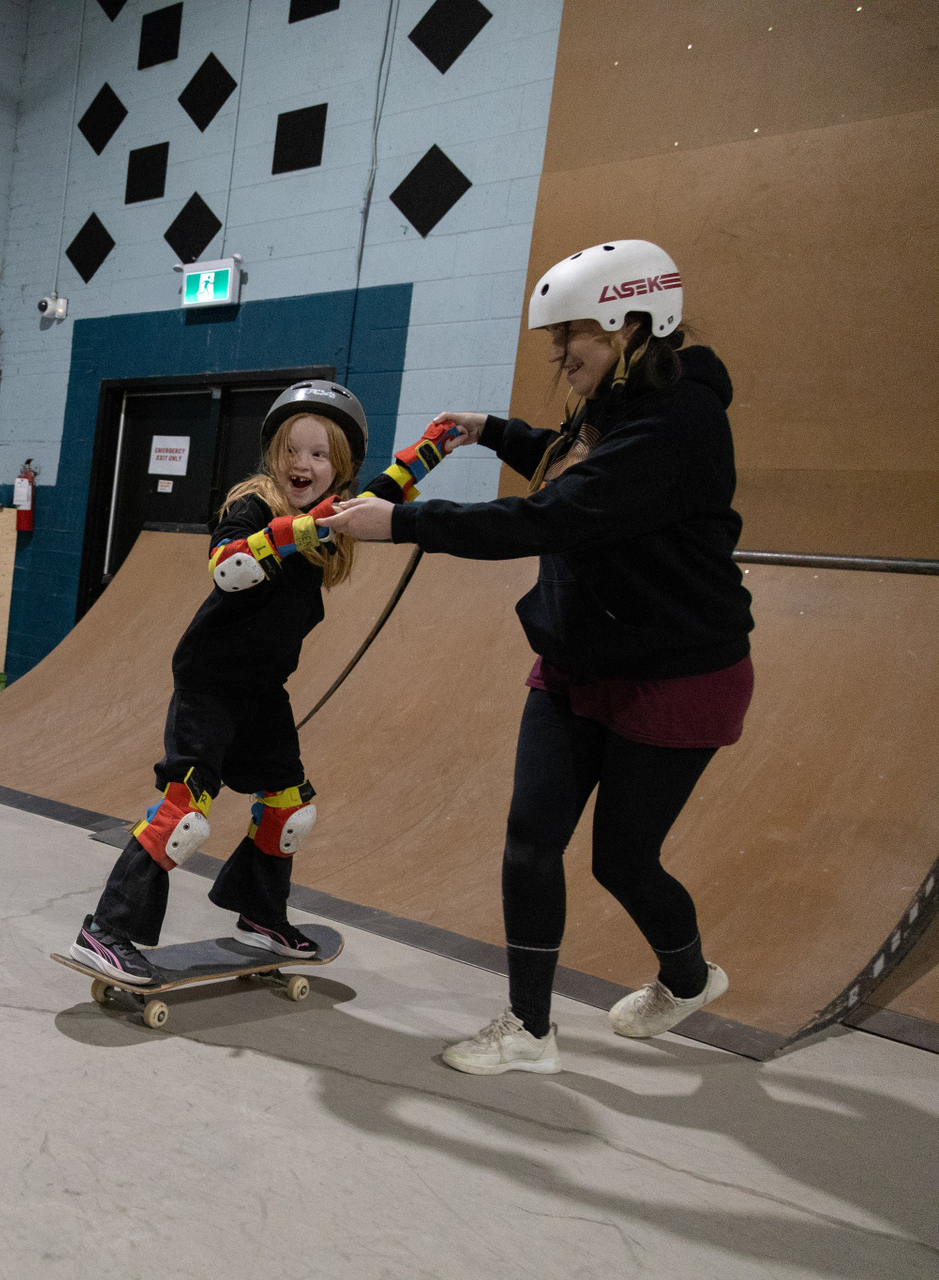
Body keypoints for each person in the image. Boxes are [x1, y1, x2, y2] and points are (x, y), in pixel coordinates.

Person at [320, 240, 754, 1075]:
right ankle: (528, 1028)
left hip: (677, 672)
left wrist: (403, 521)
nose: (559, 353)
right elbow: (569, 465)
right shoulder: (618, 401)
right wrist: (493, 432)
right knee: (531, 838)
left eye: (570, 334)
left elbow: (555, 516)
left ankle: (689, 978)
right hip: (579, 654)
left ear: (630, 323)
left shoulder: (677, 424)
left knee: (622, 859)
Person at [70, 382, 460, 983]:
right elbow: (228, 566)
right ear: (274, 455)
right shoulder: (254, 504)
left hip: (263, 691)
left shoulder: (336, 514)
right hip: (211, 682)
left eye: (320, 454)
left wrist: (433, 447)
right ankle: (105, 930)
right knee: (185, 814)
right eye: (291, 451)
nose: (303, 464)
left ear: (340, 467)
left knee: (288, 807)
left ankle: (260, 914)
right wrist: (301, 529)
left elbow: (387, 491)